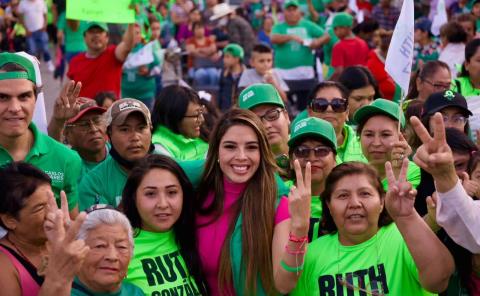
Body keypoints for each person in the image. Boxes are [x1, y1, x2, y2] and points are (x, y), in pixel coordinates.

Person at [290, 160, 455, 295]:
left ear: (382, 201)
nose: (354, 203)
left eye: (365, 194)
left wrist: (407, 216)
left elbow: (439, 280)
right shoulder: (311, 254)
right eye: (343, 195)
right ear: (329, 205)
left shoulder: (405, 238)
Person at [195, 108, 311, 295]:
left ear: (262, 152)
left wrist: (300, 229)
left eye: (251, 147)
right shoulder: (197, 195)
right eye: (230, 146)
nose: (241, 156)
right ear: (216, 151)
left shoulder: (276, 202)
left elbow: (284, 284)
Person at [0, 52, 81, 215]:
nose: (15, 108)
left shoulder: (66, 159)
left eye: (24, 96)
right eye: (2, 97)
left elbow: (70, 229)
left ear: (35, 99)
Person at [121, 154, 207, 295]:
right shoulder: (120, 248)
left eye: (172, 192)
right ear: (133, 197)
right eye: (150, 194)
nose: (162, 204)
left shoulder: (195, 236)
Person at [0, 162, 90, 296]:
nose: (52, 213)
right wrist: (59, 274)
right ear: (10, 220)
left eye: (53, 202)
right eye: (40, 208)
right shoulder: (4, 266)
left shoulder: (64, 241)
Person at [411, 112, 480, 254]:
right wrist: (432, 219)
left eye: (460, 165)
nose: (453, 173)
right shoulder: (419, 190)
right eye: (444, 117)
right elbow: (409, 245)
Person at [78, 98, 153, 210]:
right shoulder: (94, 183)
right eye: (124, 129)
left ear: (151, 130)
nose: (135, 137)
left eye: (141, 128)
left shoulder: (171, 170)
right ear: (109, 134)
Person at [73, 207, 144, 295]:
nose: (112, 256)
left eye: (121, 247)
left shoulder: (135, 292)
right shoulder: (61, 292)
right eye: (100, 246)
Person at [287, 117, 337, 241]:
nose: (312, 157)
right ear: (291, 161)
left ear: (335, 159)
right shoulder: (277, 194)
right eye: (302, 151)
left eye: (321, 151)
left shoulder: (346, 196)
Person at [271, 0, 327, 111]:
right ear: (284, 12)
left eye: (294, 9)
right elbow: (273, 38)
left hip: (305, 74)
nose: (292, 12)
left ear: (299, 11)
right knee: (283, 105)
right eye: (289, 10)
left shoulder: (307, 24)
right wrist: (290, 37)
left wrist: (316, 42)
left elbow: (326, 35)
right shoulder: (279, 27)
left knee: (305, 106)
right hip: (283, 73)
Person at [354, 99, 421, 190]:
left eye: (385, 135)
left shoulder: (416, 173)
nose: (376, 143)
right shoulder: (352, 172)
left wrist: (397, 172)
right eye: (369, 134)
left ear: (403, 138)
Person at [67, 22, 135, 99]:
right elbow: (68, 91)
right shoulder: (75, 61)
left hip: (109, 110)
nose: (96, 35)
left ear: (107, 37)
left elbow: (127, 45)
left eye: (100, 31)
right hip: (83, 110)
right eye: (92, 31)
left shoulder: (113, 54)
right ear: (84, 37)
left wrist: (131, 22)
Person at [306, 81, 367, 164]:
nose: (329, 109)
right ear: (310, 112)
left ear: (347, 112)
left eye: (337, 104)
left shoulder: (367, 143)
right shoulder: (292, 144)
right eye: (321, 104)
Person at [238, 83, 291, 171]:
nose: (266, 125)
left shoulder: (311, 152)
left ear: (286, 116)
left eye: (272, 115)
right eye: (255, 121)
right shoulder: (244, 169)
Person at [151, 85, 208, 161]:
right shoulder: (159, 147)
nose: (202, 119)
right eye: (196, 115)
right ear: (175, 117)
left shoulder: (197, 133)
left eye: (201, 113)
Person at [121, 24, 160, 109]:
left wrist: (148, 72)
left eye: (138, 33)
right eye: (132, 32)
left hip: (145, 96)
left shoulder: (146, 49)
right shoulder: (120, 51)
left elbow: (158, 68)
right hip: (126, 96)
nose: (136, 35)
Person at [17, 0, 54, 71]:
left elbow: (45, 15)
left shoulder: (41, 2)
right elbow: (20, 17)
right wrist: (26, 29)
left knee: (45, 48)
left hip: (41, 30)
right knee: (32, 50)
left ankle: (49, 63)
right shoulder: (23, 3)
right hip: (30, 32)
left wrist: (45, 25)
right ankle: (32, 67)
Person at [330, 13, 370, 80]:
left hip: (346, 84)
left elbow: (338, 72)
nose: (334, 32)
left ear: (345, 27)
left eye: (335, 28)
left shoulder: (338, 46)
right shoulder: (363, 43)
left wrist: (328, 83)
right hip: (363, 82)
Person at [185, 21, 221, 89]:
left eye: (201, 28)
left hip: (209, 65)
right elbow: (192, 52)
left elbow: (213, 49)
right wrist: (208, 54)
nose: (200, 30)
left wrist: (199, 50)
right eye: (197, 28)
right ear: (193, 30)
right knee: (201, 74)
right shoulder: (190, 41)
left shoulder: (209, 40)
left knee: (214, 74)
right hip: (195, 67)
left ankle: (213, 94)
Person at [218, 43, 245, 111]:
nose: (224, 59)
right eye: (224, 57)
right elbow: (220, 93)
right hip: (225, 112)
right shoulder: (223, 74)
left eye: (227, 57)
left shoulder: (246, 76)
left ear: (237, 59)